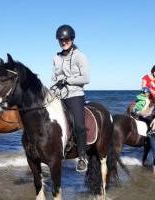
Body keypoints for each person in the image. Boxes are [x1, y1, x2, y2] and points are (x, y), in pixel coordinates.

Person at [51, 24, 89, 172]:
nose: (63, 42)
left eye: (66, 39)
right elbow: (54, 78)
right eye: (61, 39)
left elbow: (86, 78)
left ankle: (82, 157)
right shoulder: (56, 57)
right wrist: (52, 89)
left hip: (75, 94)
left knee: (79, 125)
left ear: (71, 39)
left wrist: (68, 80)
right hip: (59, 96)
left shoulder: (80, 56)